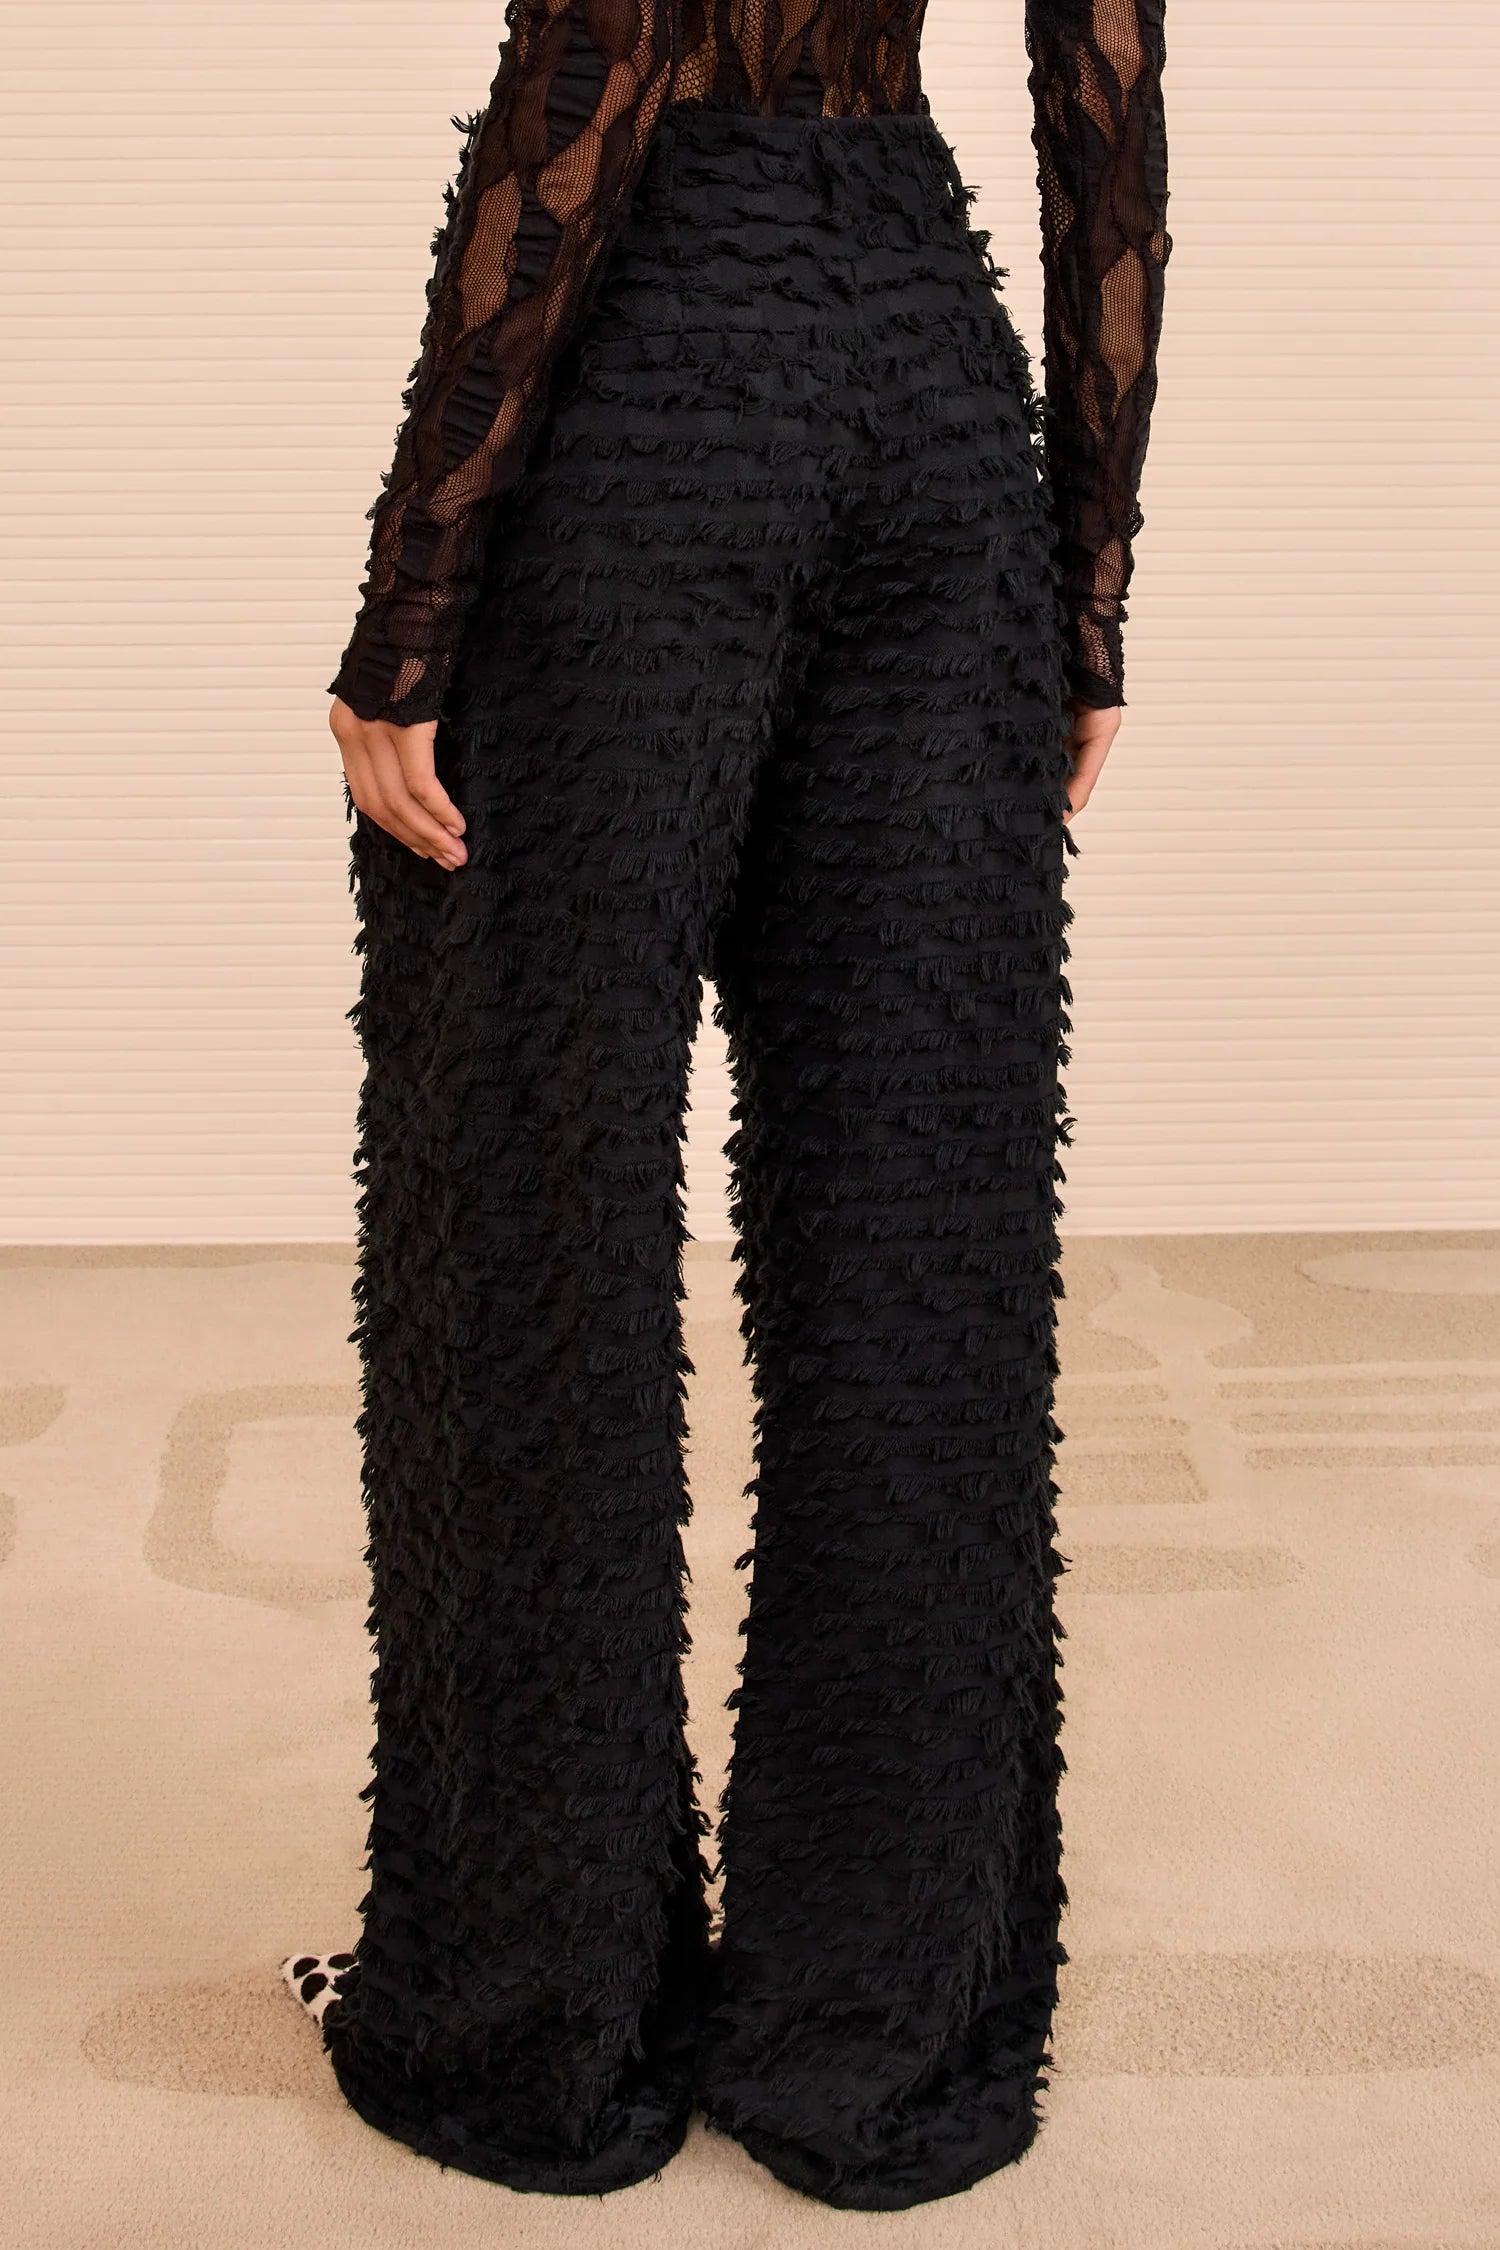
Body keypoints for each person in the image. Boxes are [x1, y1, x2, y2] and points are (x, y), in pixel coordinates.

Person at [282, 0, 1171, 2212]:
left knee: (536, 1215)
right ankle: (884, 2034)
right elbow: (1110, 114)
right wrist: (1083, 585)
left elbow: (592, 74)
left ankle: (536, 2022)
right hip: (935, 406)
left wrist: (413, 596)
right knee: (920, 1248)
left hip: (651, 401)